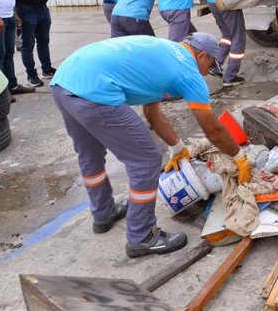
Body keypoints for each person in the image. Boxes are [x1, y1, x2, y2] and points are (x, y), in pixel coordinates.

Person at [49, 32, 252, 258]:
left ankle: (103, 213)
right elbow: (212, 129)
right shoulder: (188, 71)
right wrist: (238, 157)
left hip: (65, 81)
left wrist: (177, 148)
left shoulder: (164, 53)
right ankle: (142, 237)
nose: (207, 73)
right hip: (95, 93)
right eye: (210, 65)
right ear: (202, 55)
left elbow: (151, 112)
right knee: (146, 160)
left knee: (90, 155)